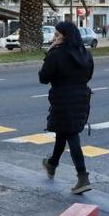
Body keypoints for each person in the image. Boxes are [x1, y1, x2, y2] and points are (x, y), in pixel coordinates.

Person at [39, 21, 94, 195]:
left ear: (64, 36)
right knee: (63, 132)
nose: (53, 38)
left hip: (62, 98)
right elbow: (89, 75)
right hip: (81, 98)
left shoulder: (56, 54)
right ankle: (52, 164)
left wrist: (49, 53)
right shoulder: (85, 53)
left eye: (56, 35)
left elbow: (43, 77)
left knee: (70, 134)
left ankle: (82, 176)